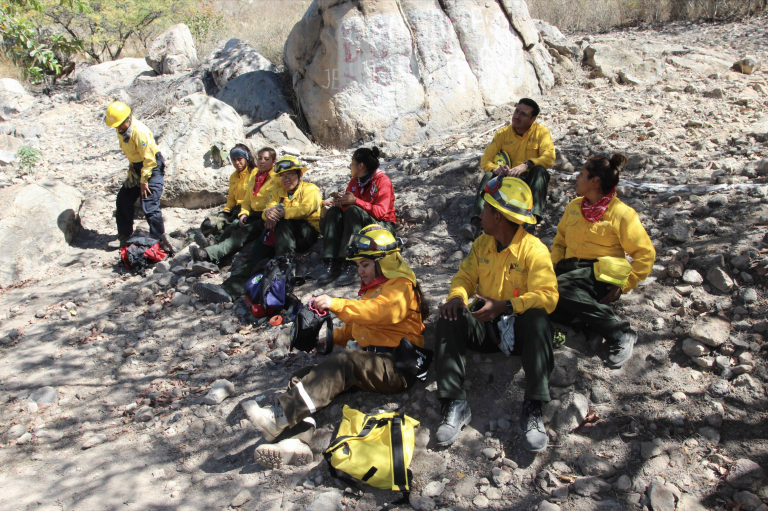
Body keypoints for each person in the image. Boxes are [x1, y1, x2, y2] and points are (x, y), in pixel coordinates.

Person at [240, 225, 428, 468]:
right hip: (372, 363)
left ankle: (281, 415)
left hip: (397, 366)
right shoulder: (374, 290)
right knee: (303, 376)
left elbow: (381, 314)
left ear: (385, 261)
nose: (360, 271)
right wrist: (331, 339)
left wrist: (337, 304)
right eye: (358, 266)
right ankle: (296, 442)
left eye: (366, 265)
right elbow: (359, 326)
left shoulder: (401, 286)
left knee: (344, 361)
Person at [434, 177, 558, 453]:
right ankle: (455, 402)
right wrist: (456, 297)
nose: (480, 214)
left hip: (519, 333)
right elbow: (465, 277)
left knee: (538, 319)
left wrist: (506, 306)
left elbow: (549, 296)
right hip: (486, 327)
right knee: (449, 316)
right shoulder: (482, 243)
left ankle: (534, 407)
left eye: (485, 209)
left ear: (499, 217)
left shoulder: (534, 250)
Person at [549, 154, 655, 368]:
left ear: (594, 180)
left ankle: (621, 332)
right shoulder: (574, 207)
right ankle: (590, 323)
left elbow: (645, 253)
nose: (577, 178)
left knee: (560, 288)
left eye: (581, 174)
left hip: (597, 274)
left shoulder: (622, 214)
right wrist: (551, 268)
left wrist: (623, 285)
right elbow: (560, 240)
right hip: (570, 269)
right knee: (540, 295)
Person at [192, 156, 321, 303]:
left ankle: (284, 267)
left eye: (290, 174)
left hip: (305, 234)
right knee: (258, 252)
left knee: (282, 220)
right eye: (283, 176)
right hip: (280, 234)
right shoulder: (277, 192)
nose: (286, 179)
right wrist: (268, 215)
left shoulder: (310, 189)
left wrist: (281, 213)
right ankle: (229, 290)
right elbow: (268, 209)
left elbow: (306, 209)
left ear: (300, 175)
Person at [460, 98, 555, 240]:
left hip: (528, 182)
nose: (517, 116)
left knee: (540, 172)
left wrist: (527, 165)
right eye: (516, 111)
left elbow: (549, 157)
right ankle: (476, 223)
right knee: (488, 175)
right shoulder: (502, 134)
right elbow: (486, 159)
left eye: (523, 114)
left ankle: (531, 223)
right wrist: (496, 169)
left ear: (533, 118)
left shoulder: (541, 133)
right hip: (507, 182)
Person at [316, 147, 397, 287]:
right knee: (333, 212)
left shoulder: (383, 181)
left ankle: (352, 262)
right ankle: (332, 262)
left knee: (354, 210)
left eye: (352, 163)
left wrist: (355, 202)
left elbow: (380, 213)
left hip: (382, 226)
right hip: (360, 222)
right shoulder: (355, 181)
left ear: (361, 165)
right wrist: (341, 203)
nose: (350, 166)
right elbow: (349, 210)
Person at [190, 147, 280, 265]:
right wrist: (244, 213)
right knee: (232, 226)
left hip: (264, 216)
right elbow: (247, 199)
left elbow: (275, 201)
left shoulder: (277, 177)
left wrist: (267, 215)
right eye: (260, 158)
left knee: (240, 235)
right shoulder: (256, 177)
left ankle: (206, 255)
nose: (262, 161)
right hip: (251, 212)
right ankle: (214, 250)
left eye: (266, 159)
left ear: (273, 162)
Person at [105, 101, 171, 250]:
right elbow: (131, 151)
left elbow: (149, 158)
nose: (117, 128)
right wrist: (132, 168)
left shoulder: (139, 131)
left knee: (149, 203)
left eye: (120, 124)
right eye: (115, 125)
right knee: (123, 199)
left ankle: (160, 242)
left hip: (152, 165)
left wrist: (144, 181)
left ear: (128, 118)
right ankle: (125, 236)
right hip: (137, 166)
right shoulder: (121, 129)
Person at [197, 144, 260, 242]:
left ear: (246, 158)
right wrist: (227, 209)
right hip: (235, 210)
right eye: (234, 160)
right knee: (207, 224)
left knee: (231, 228)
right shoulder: (233, 177)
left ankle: (213, 242)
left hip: (248, 211)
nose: (237, 163)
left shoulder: (255, 173)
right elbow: (231, 197)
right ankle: (187, 241)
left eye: (240, 159)